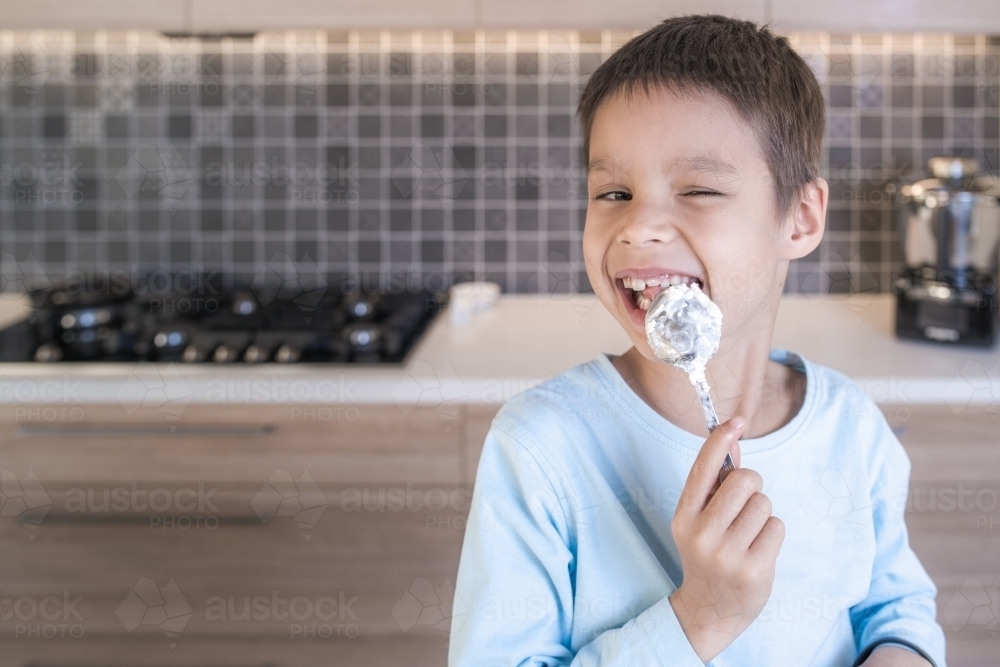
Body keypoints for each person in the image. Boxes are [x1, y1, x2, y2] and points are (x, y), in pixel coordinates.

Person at [448, 14, 946, 667]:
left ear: (800, 217)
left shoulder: (852, 429)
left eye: (700, 189)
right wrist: (702, 616)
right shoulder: (541, 447)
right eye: (613, 191)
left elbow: (894, 609)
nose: (641, 224)